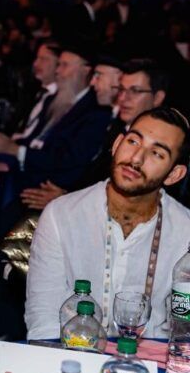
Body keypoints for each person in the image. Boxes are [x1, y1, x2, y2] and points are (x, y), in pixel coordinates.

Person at [25, 107, 190, 340]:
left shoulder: (185, 232)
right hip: (72, 353)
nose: (136, 159)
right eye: (133, 142)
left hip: (153, 358)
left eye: (156, 153)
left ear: (174, 174)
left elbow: (184, 332)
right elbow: (44, 320)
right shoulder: (62, 215)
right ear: (117, 144)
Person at [20, 58, 165, 210]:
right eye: (121, 89)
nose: (122, 98)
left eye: (135, 91)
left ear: (157, 98)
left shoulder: (158, 147)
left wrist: (67, 199)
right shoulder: (117, 127)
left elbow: (130, 203)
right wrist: (66, 195)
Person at [0, 41, 111, 191]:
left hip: (50, 186)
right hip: (29, 171)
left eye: (64, 65)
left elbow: (68, 160)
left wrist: (17, 150)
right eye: (58, 64)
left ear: (85, 70)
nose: (57, 71)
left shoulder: (96, 112)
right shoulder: (56, 100)